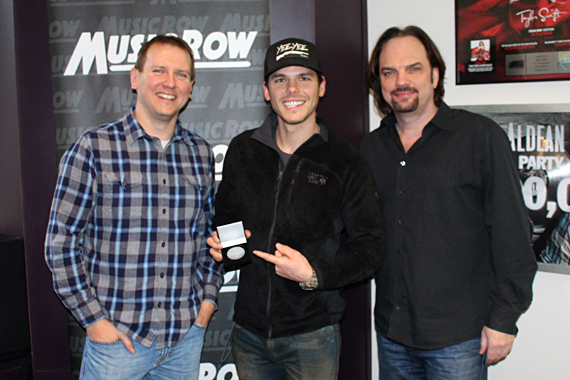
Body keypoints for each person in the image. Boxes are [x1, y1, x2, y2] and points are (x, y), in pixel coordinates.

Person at [361, 26, 537, 379]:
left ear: (435, 74)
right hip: (393, 335)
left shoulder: (480, 137)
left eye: (413, 69)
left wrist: (504, 320)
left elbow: (512, 234)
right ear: (379, 82)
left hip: (459, 339)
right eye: (389, 72)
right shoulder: (370, 149)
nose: (401, 81)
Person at [45, 35, 223, 380]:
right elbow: (60, 243)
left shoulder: (200, 154)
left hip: (184, 342)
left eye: (181, 74)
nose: (170, 83)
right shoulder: (94, 148)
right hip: (117, 344)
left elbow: (208, 238)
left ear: (191, 86)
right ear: (134, 77)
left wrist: (205, 308)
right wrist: (94, 322)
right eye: (159, 70)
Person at [207, 37, 385, 379]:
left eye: (304, 77)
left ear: (321, 87)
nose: (292, 88)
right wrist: (226, 249)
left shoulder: (346, 161)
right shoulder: (243, 149)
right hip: (249, 333)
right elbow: (227, 219)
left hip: (313, 335)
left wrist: (314, 275)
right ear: (265, 90)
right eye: (280, 79)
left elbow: (371, 248)